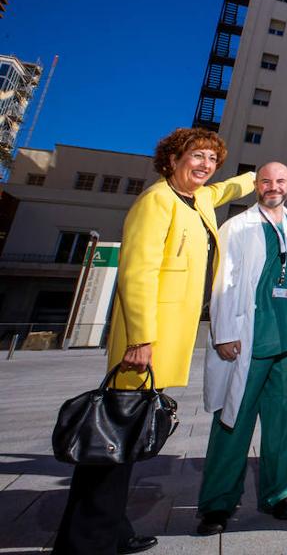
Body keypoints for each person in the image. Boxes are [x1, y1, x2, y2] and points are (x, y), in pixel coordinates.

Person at [53, 128, 254, 555]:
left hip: (168, 337)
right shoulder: (155, 201)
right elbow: (136, 273)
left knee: (126, 437)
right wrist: (141, 338)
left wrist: (261, 178)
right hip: (145, 339)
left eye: (211, 159)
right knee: (112, 438)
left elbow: (227, 188)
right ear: (172, 159)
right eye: (195, 156)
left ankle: (114, 528)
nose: (204, 165)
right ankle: (85, 541)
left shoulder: (198, 199)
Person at [196, 163, 287, 534]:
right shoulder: (237, 227)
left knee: (285, 424)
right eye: (265, 181)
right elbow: (223, 282)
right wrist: (225, 332)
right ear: (256, 186)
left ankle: (280, 493)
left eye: (280, 181)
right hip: (250, 339)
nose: (272, 186)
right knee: (233, 420)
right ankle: (218, 503)